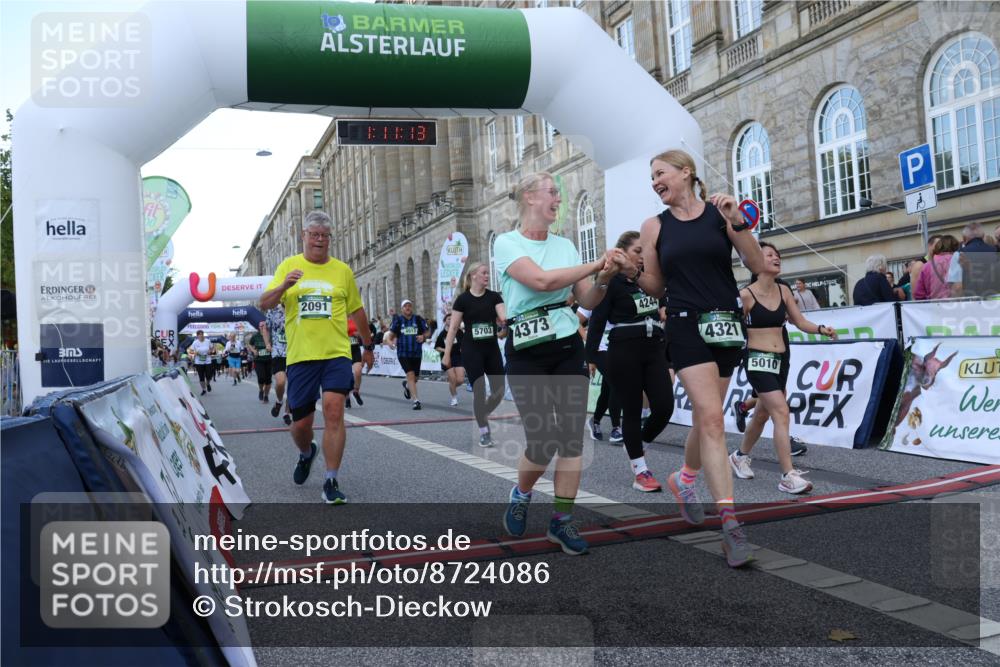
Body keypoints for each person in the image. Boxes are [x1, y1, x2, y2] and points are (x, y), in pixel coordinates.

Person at [637, 149, 765, 568]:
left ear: (686, 173)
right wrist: (629, 272)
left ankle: (685, 480)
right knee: (712, 419)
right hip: (685, 323)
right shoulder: (654, 226)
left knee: (705, 419)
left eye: (661, 173)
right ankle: (730, 525)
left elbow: (757, 262)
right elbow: (655, 287)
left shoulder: (719, 214)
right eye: (652, 177)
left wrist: (737, 219)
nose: (655, 181)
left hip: (726, 324)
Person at [495, 171, 627, 556]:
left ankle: (561, 521)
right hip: (526, 349)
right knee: (543, 439)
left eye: (558, 193)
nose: (558, 199)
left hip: (567, 343)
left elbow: (587, 300)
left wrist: (603, 277)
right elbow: (540, 281)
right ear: (529, 198)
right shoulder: (507, 243)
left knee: (570, 437)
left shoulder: (566, 245)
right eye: (552, 193)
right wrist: (593, 265)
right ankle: (521, 494)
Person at [258, 210, 374, 505]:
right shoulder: (289, 266)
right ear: (304, 236)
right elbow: (264, 303)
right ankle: (307, 452)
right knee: (300, 425)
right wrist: (284, 286)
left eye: (325, 236)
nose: (320, 240)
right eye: (314, 235)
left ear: (329, 239)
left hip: (336, 354)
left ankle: (331, 480)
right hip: (301, 357)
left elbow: (357, 310)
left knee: (335, 411)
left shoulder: (342, 271)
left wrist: (368, 344)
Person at [728, 243, 837, 493]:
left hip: (781, 360)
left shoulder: (784, 291)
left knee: (763, 414)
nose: (776, 258)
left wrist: (821, 329)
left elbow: (799, 321)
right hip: (757, 360)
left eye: (778, 255)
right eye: (769, 255)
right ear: (755, 261)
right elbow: (735, 330)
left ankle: (739, 456)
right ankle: (788, 475)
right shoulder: (746, 295)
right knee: (781, 412)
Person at [588, 230, 674, 492]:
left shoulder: (651, 281)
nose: (642, 256)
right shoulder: (612, 282)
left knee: (664, 407)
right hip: (623, 350)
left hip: (654, 348)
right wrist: (590, 356)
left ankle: (636, 443)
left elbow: (664, 307)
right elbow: (597, 319)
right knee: (632, 410)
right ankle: (640, 471)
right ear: (623, 253)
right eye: (637, 251)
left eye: (644, 251)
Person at [443, 261, 508, 447]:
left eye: (488, 273)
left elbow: (503, 317)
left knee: (499, 390)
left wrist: (505, 323)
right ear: (473, 276)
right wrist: (447, 354)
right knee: (479, 391)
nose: (487, 276)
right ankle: (484, 432)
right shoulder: (463, 300)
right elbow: (453, 328)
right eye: (484, 273)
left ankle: (482, 412)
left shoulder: (494, 297)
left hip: (491, 349)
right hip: (472, 350)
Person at [582, 307, 622, 444]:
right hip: (599, 349)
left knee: (608, 388)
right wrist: (588, 340)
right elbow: (576, 321)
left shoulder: (624, 290)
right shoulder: (596, 294)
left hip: (619, 346)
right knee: (617, 382)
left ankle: (595, 420)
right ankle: (616, 428)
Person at [385, 300, 429, 410]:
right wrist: (390, 344)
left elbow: (427, 332)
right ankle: (416, 401)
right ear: (402, 309)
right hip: (403, 353)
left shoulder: (418, 319)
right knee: (410, 374)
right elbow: (389, 337)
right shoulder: (398, 321)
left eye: (409, 306)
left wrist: (423, 337)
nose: (408, 307)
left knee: (416, 378)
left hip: (416, 353)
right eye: (405, 306)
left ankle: (407, 385)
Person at [948, 222, 1000, 297]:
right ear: (983, 236)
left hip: (971, 301)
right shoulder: (996, 251)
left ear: (964, 238)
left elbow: (957, 287)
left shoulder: (960, 254)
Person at [263, 303, 291, 425]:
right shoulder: (273, 310)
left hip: (296, 352)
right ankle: (279, 401)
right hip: (278, 352)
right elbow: (266, 328)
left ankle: (287, 412)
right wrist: (267, 343)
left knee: (293, 385)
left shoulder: (297, 305)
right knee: (280, 382)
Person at [914, 235, 960, 300]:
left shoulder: (927, 266)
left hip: (934, 306)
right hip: (958, 305)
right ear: (955, 247)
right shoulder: (960, 261)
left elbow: (918, 294)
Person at [435, 314, 466, 407]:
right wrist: (445, 350)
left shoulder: (459, 331)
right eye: (449, 319)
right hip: (447, 358)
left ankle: (451, 387)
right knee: (452, 379)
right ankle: (454, 398)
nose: (451, 320)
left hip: (458, 357)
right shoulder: (442, 334)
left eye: (452, 318)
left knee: (460, 380)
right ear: (445, 321)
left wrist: (463, 348)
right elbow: (437, 347)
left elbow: (465, 342)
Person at [248, 322, 272, 403]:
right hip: (258, 360)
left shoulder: (270, 335)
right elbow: (250, 344)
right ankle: (261, 390)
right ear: (258, 327)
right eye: (260, 326)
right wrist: (254, 350)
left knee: (268, 380)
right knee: (261, 377)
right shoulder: (255, 336)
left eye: (264, 325)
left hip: (269, 360)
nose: (262, 327)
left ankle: (266, 396)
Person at [346, 317, 365, 408]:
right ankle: (346, 398)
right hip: (344, 350)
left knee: (358, 371)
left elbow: (363, 333)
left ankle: (356, 391)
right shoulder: (338, 317)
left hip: (355, 349)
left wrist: (358, 334)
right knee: (346, 375)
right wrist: (349, 334)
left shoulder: (355, 319)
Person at [187, 330, 214, 395]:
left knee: (209, 375)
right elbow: (190, 351)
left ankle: (207, 384)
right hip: (199, 362)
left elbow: (212, 348)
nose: (201, 336)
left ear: (203, 335)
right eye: (199, 335)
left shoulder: (208, 341)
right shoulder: (195, 342)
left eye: (202, 334)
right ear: (197, 336)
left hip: (207, 361)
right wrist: (195, 353)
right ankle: (204, 389)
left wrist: (210, 351)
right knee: (201, 377)